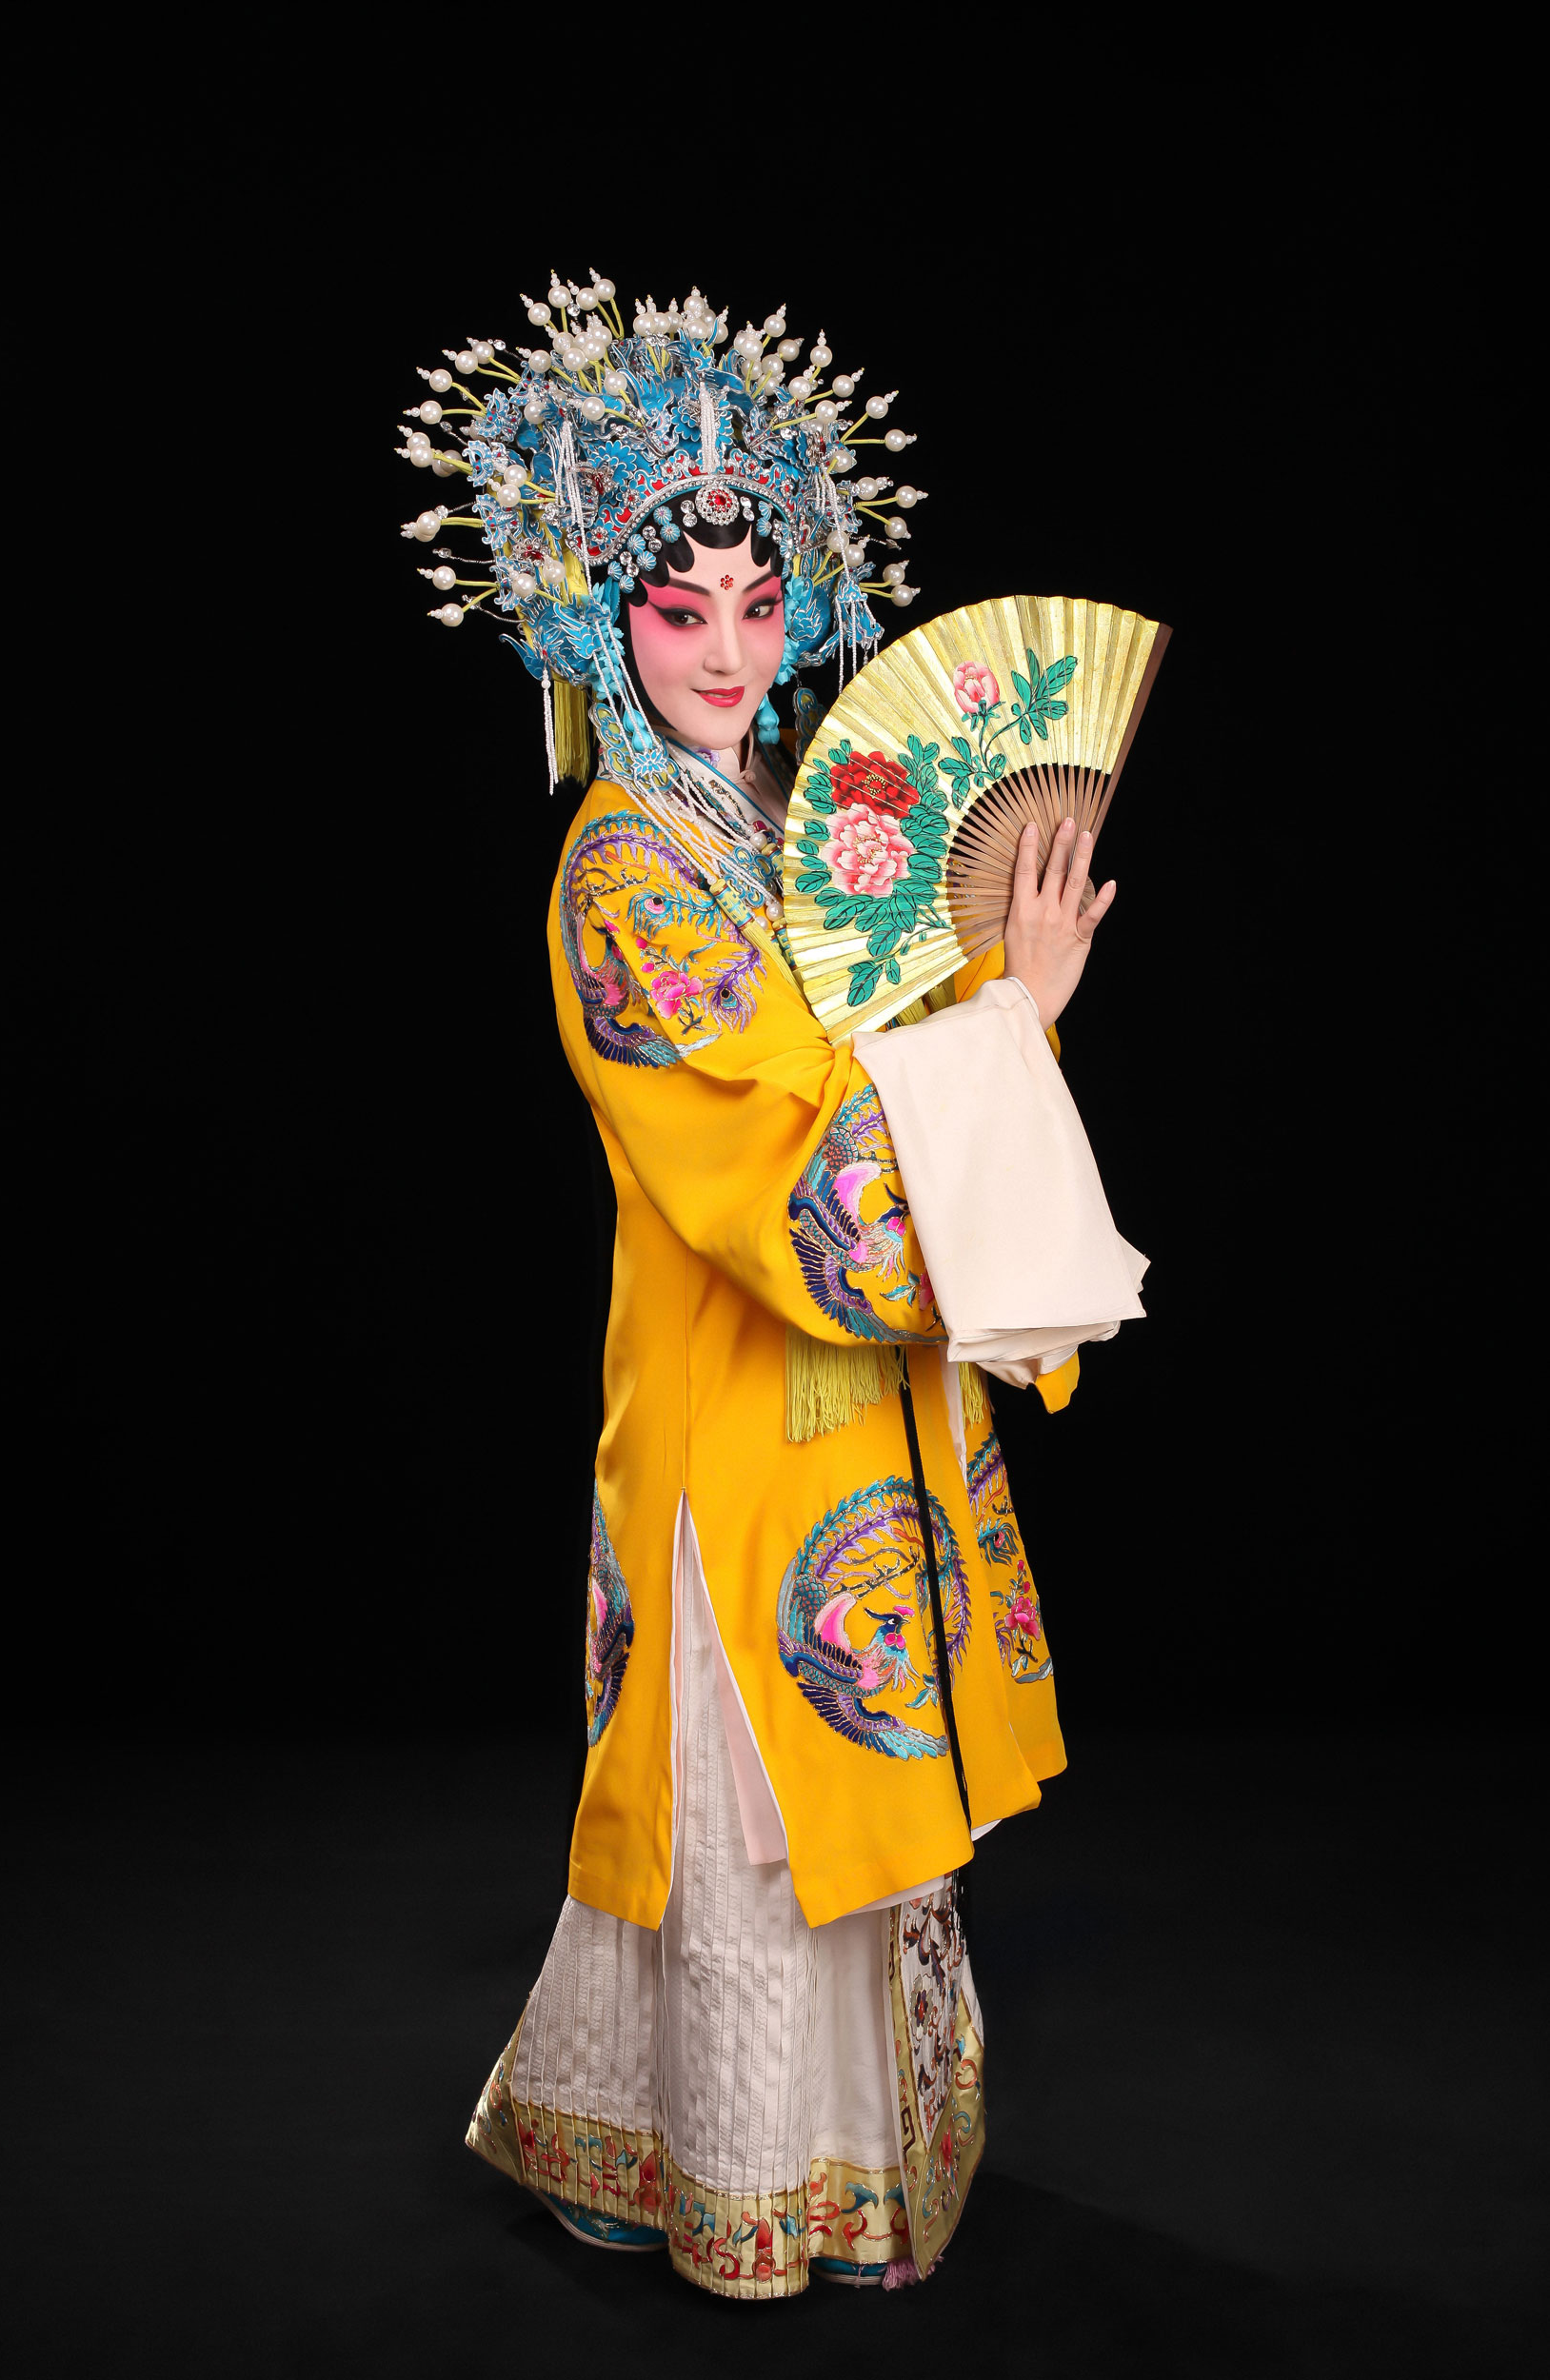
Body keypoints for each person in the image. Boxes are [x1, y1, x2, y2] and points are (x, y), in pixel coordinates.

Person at [397, 275, 1143, 2298]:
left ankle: (697, 2143)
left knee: (824, 1796)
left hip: (845, 1410)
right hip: (738, 1411)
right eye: (676, 611)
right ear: (593, 625)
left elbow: (884, 1045)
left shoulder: (788, 819)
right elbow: (789, 1170)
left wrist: (994, 997)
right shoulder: (624, 872)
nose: (728, 652)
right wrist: (1011, 1025)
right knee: (747, 1807)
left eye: (755, 602)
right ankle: (739, 2178)